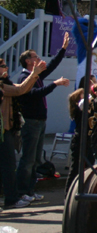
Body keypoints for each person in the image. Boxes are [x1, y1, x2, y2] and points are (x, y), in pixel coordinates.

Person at [15, 33, 71, 202]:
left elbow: (52, 66)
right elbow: (35, 94)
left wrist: (63, 49)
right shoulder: (24, 78)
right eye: (35, 57)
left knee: (36, 159)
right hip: (31, 122)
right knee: (28, 158)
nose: (38, 58)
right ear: (28, 61)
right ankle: (21, 191)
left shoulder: (36, 76)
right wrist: (55, 84)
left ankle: (30, 191)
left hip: (40, 121)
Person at [0, 57, 46, 212]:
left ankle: (12, 197)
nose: (6, 68)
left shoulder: (5, 83)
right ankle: (11, 199)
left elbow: (20, 88)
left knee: (9, 165)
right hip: (2, 129)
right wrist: (34, 74)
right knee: (9, 165)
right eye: (3, 66)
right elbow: (20, 90)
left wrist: (35, 74)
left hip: (7, 128)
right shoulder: (2, 86)